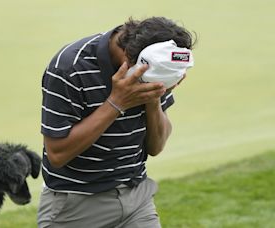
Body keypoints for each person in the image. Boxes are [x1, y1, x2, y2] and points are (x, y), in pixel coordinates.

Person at [37, 16, 195, 228]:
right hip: (75, 206)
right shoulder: (69, 68)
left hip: (137, 199)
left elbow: (156, 147)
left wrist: (153, 98)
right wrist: (116, 102)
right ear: (129, 59)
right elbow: (57, 154)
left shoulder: (156, 67)